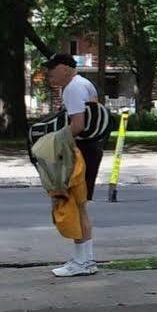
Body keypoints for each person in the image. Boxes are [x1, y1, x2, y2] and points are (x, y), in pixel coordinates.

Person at [41, 55, 102, 277]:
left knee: (73, 205)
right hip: (91, 148)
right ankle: (86, 260)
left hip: (79, 151)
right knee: (81, 206)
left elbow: (78, 125)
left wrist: (53, 141)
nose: (50, 74)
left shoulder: (72, 88)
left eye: (53, 69)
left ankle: (82, 263)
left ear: (66, 69)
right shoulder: (84, 83)